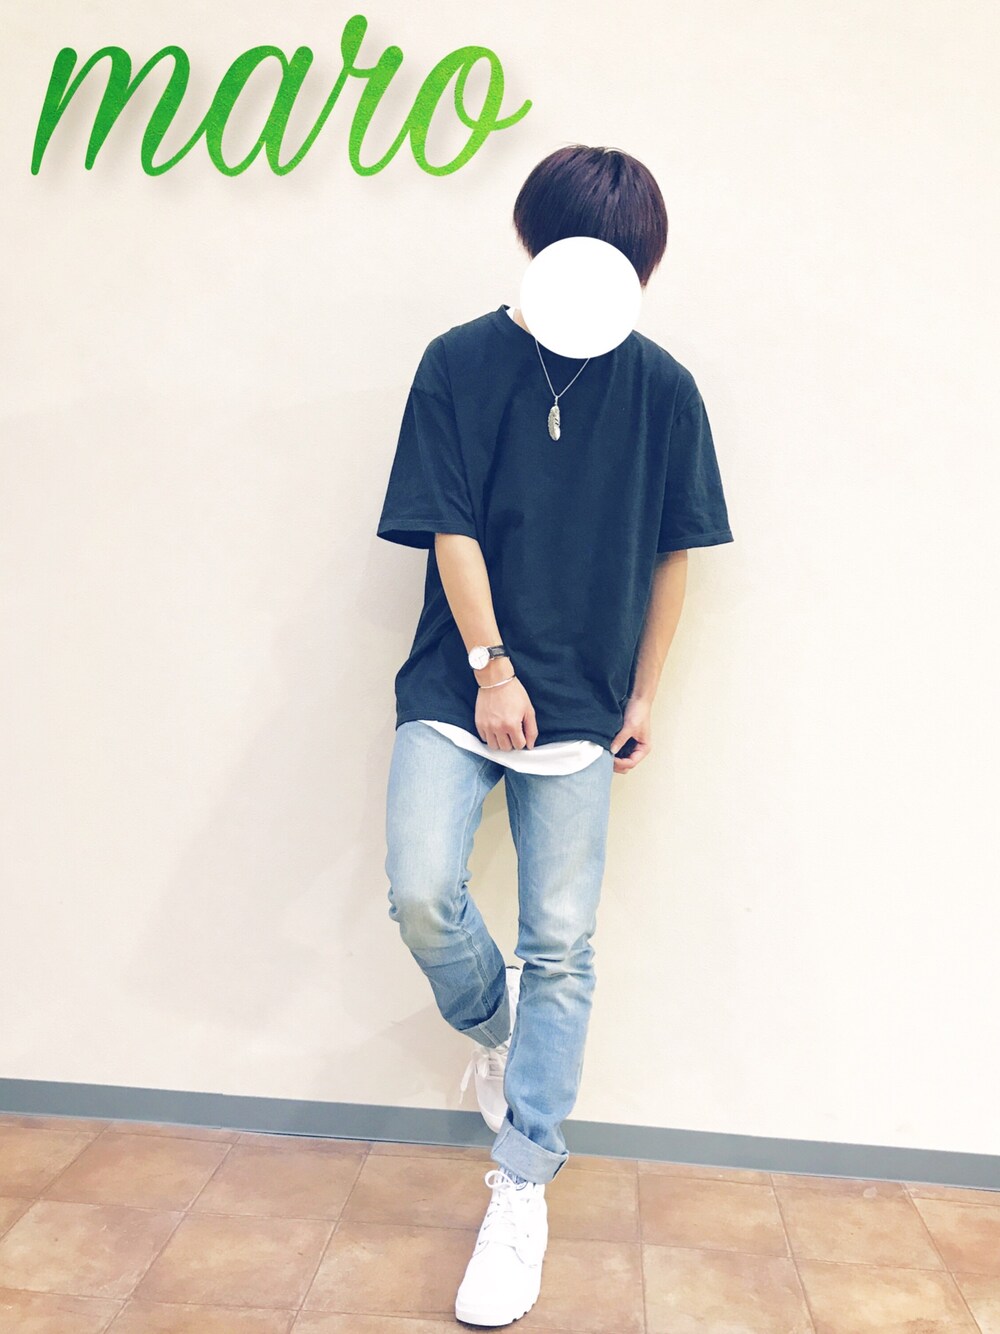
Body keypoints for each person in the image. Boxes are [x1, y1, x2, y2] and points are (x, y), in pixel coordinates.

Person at [376, 143, 733, 1327]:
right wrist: (491, 667)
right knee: (421, 890)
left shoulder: (664, 387)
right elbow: (448, 522)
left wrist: (645, 693)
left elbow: (674, 550)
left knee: (562, 943)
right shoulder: (459, 360)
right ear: (534, 241)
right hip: (458, 679)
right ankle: (499, 1025)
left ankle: (522, 1183)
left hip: (584, 695)